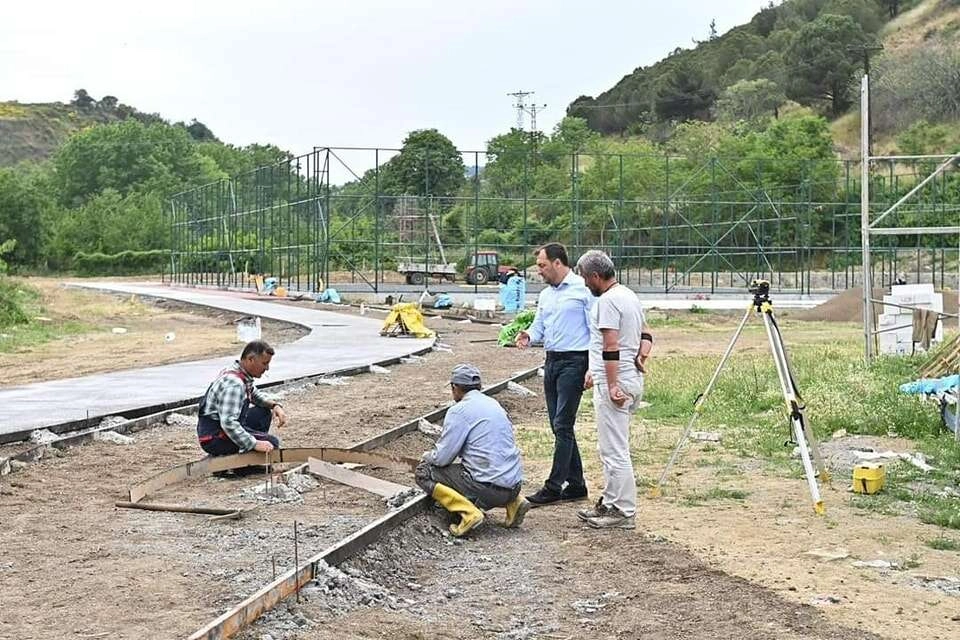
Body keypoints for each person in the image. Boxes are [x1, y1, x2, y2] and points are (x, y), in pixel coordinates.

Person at [575, 250, 653, 529]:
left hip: (617, 382)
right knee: (609, 446)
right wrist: (641, 356)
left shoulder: (607, 302)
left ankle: (624, 510)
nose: (585, 284)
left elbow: (611, 346)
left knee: (615, 450)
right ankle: (610, 501)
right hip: (629, 377)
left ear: (595, 276)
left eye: (585, 278)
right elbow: (646, 333)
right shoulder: (629, 295)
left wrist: (611, 384)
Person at [515, 242, 593, 506]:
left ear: (558, 263)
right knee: (558, 425)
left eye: (542, 265)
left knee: (562, 424)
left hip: (575, 361)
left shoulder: (583, 289)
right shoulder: (546, 295)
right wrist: (529, 335)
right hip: (552, 361)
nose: (539, 271)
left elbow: (595, 330)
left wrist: (593, 366)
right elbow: (539, 325)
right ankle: (577, 485)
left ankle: (553, 486)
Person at [415, 364, 530, 537]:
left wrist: (427, 456)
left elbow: (442, 458)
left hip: (487, 490)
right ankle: (514, 503)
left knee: (423, 472)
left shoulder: (458, 411)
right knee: (486, 469)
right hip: (514, 487)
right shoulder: (494, 404)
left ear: (455, 387)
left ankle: (469, 513)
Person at [197, 340, 288, 457]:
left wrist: (274, 405)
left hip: (219, 429)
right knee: (272, 444)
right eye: (264, 363)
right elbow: (228, 423)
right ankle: (244, 462)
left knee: (262, 413)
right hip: (214, 438)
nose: (267, 368)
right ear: (251, 359)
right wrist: (254, 444)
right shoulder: (234, 384)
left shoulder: (239, 373)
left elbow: (254, 394)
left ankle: (244, 451)